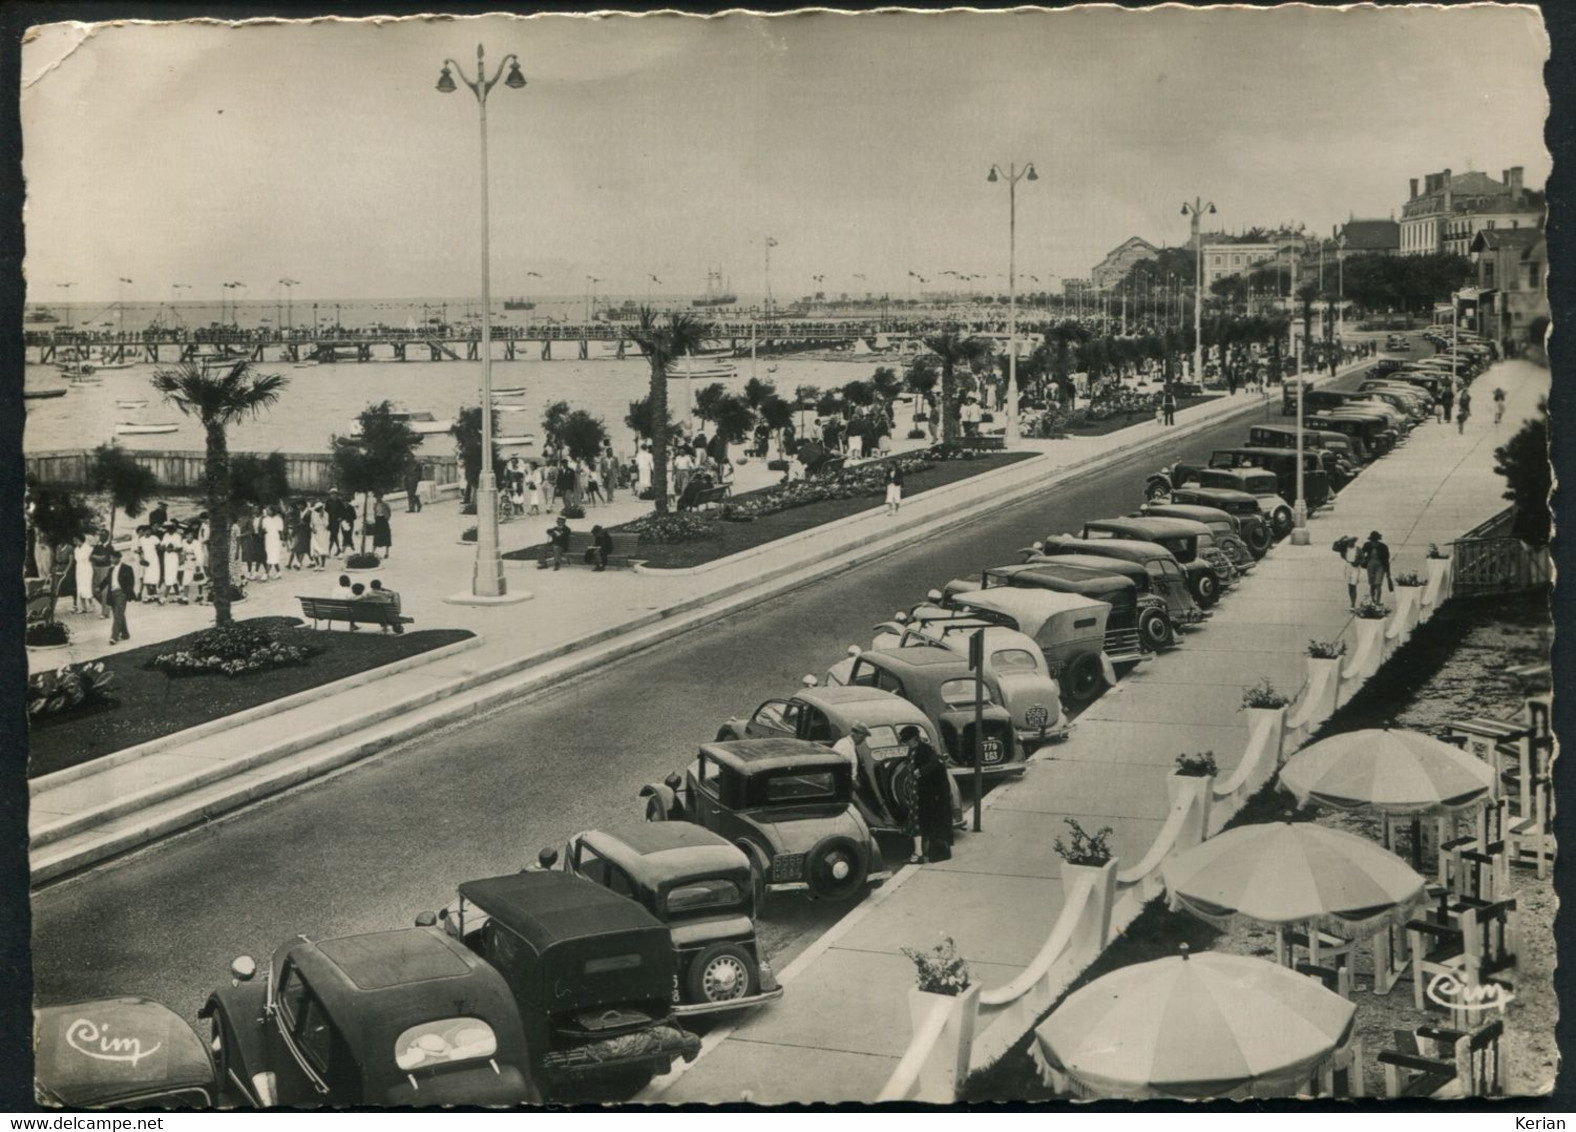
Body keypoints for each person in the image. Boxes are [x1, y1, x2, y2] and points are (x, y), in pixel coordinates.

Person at [899, 726, 953, 864]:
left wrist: (920, 773)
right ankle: (921, 852)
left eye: (907, 740)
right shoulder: (916, 749)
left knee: (919, 822)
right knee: (918, 822)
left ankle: (919, 854)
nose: (906, 743)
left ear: (914, 738)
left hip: (924, 794)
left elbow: (934, 769)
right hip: (917, 793)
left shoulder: (925, 751)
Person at [832, 721, 890, 828]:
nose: (863, 740)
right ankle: (876, 825)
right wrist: (854, 783)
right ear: (857, 734)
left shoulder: (846, 744)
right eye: (863, 737)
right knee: (859, 807)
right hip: (844, 785)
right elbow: (842, 769)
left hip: (848, 783)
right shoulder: (845, 747)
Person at [107, 550, 137, 644]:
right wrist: (99, 587)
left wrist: (127, 592)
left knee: (118, 614)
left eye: (112, 558)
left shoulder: (127, 568)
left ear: (118, 558)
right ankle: (125, 633)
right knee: (119, 614)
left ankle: (114, 636)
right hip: (112, 594)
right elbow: (106, 580)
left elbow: (131, 582)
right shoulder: (111, 569)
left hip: (121, 593)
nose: (110, 559)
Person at [1357, 530, 1391, 605]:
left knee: (1378, 584)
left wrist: (1388, 571)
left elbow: (1386, 559)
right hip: (1370, 565)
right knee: (1372, 584)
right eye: (1373, 539)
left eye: (1375, 539)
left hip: (1380, 566)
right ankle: (1373, 599)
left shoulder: (1383, 546)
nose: (1374, 541)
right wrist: (1363, 560)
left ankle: (1378, 601)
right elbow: (1361, 554)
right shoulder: (1367, 545)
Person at [89, 530, 114, 619]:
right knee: (95, 591)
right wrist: (96, 557)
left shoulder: (109, 547)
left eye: (102, 535)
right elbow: (90, 557)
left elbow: (105, 559)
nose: (100, 537)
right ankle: (108, 606)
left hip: (106, 569)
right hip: (96, 569)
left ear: (107, 536)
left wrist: (96, 557)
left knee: (104, 592)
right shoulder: (97, 546)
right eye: (100, 535)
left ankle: (105, 612)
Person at [1334, 534, 1362, 609]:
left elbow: (1362, 558)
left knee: (1354, 585)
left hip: (1355, 567)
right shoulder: (1345, 549)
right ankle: (1352, 602)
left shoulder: (1358, 549)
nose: (1351, 543)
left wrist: (1357, 562)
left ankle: (1353, 602)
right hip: (1348, 566)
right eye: (1349, 542)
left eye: (1352, 541)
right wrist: (1340, 539)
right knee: (1350, 586)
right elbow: (1335, 548)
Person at [70, 533, 94, 615]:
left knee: (87, 587)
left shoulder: (88, 548)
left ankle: (91, 605)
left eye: (76, 540)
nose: (75, 542)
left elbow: (87, 558)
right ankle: (83, 607)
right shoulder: (76, 549)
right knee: (80, 588)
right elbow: (76, 559)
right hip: (79, 569)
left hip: (86, 568)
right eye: (74, 541)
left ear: (80, 539)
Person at [262, 505, 285, 579]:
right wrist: (264, 531)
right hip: (268, 539)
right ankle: (279, 572)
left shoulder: (278, 519)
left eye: (269, 510)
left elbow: (280, 531)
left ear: (273, 511)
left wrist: (283, 540)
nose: (267, 511)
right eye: (267, 510)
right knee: (272, 556)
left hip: (275, 539)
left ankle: (265, 574)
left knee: (272, 556)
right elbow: (263, 530)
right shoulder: (265, 520)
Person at [309, 501, 330, 570]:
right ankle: (317, 564)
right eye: (317, 509)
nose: (319, 510)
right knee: (315, 548)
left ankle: (322, 565)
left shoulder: (326, 514)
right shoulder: (313, 514)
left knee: (323, 549)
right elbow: (311, 523)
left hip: (323, 532)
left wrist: (322, 517)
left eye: (320, 508)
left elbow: (326, 524)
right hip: (315, 532)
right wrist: (312, 529)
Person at [372, 494, 393, 558]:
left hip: (383, 519)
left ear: (381, 497)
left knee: (386, 535)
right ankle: (373, 551)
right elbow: (375, 512)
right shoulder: (375, 505)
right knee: (376, 535)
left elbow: (389, 512)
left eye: (379, 496)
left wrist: (387, 518)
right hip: (378, 520)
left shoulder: (385, 504)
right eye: (376, 497)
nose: (378, 498)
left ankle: (387, 552)